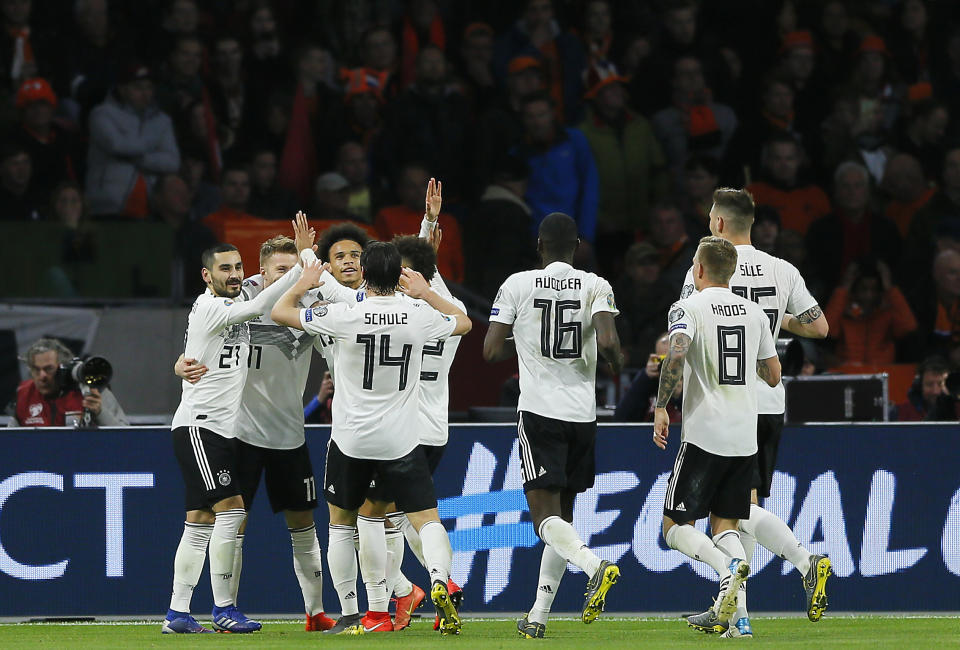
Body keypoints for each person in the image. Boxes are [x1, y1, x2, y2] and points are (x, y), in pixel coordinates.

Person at [271, 242, 471, 635]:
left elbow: (280, 312)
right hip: (401, 439)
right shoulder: (418, 313)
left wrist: (302, 283)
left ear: (363, 271)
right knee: (425, 519)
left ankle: (360, 612)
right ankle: (438, 579)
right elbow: (463, 321)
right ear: (400, 275)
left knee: (345, 522)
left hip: (351, 440)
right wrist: (427, 293)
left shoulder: (346, 313)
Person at [678, 189, 831, 636]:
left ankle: (802, 563)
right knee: (739, 509)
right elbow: (820, 325)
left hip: (721, 404)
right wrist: (777, 319)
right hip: (768, 400)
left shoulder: (704, 266)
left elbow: (688, 327)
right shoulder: (782, 270)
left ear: (721, 223)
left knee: (728, 512)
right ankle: (739, 619)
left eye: (710, 216)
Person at [174, 235, 336, 632]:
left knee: (210, 519)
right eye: (279, 269)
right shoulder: (232, 301)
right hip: (229, 431)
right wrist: (304, 268)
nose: (233, 274)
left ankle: (313, 613)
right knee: (228, 515)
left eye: (236, 267)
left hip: (285, 434)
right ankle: (222, 609)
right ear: (264, 273)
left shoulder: (310, 309)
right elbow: (220, 322)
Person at [483, 212, 623, 638]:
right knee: (563, 519)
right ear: (578, 246)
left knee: (544, 518)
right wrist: (617, 364)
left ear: (539, 246)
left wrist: (524, 337)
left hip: (541, 412)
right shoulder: (596, 284)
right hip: (583, 414)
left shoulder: (517, 284)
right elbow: (609, 343)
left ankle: (595, 565)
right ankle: (538, 616)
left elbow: (490, 351)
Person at [654, 236, 782, 639]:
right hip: (745, 435)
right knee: (726, 527)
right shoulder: (756, 314)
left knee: (674, 526)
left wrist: (661, 405)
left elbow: (676, 353)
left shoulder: (687, 307)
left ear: (699, 269)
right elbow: (773, 375)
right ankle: (739, 621)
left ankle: (724, 570)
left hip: (705, 432)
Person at [86, 62, 180, 218]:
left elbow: (172, 162)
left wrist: (137, 157)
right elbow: (116, 145)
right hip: (107, 204)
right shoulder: (102, 114)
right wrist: (152, 145)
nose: (145, 93)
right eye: (138, 87)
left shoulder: (162, 120)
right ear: (123, 89)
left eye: (149, 87)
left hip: (150, 205)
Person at [516, 92, 599, 244]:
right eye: (530, 116)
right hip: (538, 240)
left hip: (574, 233)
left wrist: (586, 235)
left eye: (542, 114)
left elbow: (589, 188)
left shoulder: (574, 140)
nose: (537, 122)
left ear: (552, 114)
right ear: (523, 119)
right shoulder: (518, 153)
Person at [8, 337, 127, 427]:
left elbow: (126, 437)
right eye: (36, 369)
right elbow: (8, 442)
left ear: (62, 367)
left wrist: (100, 413)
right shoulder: (24, 394)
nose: (42, 376)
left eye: (48, 369)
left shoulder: (93, 391)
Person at [824, 259, 917, 366]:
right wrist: (845, 287)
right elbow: (827, 330)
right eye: (863, 289)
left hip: (882, 374)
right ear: (854, 290)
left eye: (874, 290)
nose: (869, 295)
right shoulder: (844, 312)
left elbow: (909, 327)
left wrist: (890, 288)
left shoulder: (887, 312)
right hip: (850, 373)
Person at [613, 332, 681, 422]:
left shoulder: (697, 384)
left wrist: (678, 392)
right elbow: (620, 420)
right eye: (662, 359)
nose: (666, 366)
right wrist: (644, 377)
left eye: (671, 359)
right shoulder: (650, 384)